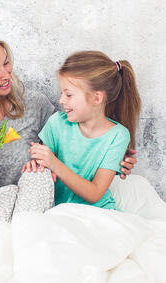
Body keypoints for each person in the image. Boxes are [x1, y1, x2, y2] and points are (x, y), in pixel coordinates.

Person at [0, 30, 137, 219]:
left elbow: (79, 131)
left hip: (32, 203)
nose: (6, 74)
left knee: (38, 176)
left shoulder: (35, 104)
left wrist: (116, 160)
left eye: (6, 63)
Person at [24, 51, 141, 210]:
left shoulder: (118, 135)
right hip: (58, 211)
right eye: (62, 93)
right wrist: (36, 165)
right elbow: (43, 166)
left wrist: (55, 164)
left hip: (98, 212)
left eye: (69, 94)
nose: (61, 100)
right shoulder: (57, 123)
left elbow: (95, 193)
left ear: (96, 98)